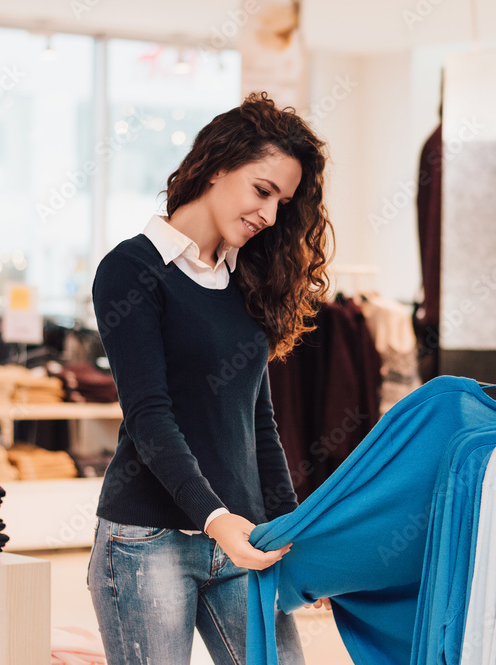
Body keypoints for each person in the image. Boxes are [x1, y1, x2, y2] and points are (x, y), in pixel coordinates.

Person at [87, 92, 333, 665]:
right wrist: (215, 518)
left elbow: (259, 421)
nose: (270, 215)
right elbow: (150, 416)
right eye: (262, 190)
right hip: (146, 539)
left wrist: (287, 528)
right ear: (218, 165)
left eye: (282, 202)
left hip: (242, 539)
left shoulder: (247, 279)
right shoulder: (132, 270)